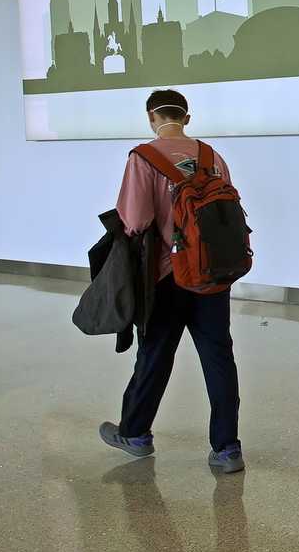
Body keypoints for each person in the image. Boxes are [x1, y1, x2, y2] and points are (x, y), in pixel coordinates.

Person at [99, 89, 245, 474]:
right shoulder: (213, 157)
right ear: (188, 118)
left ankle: (135, 433)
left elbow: (135, 221)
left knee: (155, 354)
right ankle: (227, 448)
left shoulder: (143, 157)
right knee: (219, 357)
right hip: (213, 274)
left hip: (166, 275)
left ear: (151, 117)